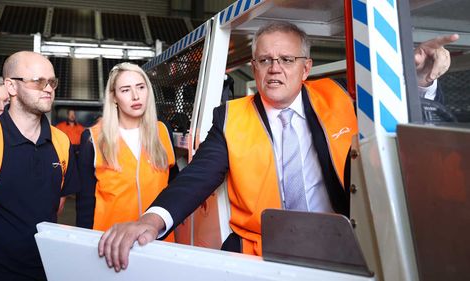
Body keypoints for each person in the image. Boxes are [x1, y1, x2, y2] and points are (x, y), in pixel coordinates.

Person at [98, 22, 457, 272]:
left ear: (305, 68)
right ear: (253, 68)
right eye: (265, 60)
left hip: (340, 246)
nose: (275, 69)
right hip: (257, 251)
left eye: (286, 60)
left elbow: (398, 129)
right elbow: (196, 177)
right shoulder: (230, 117)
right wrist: (150, 220)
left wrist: (421, 82)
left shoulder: (339, 98)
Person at [0, 51, 80, 280]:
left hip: (44, 271)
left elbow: (57, 205)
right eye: (38, 81)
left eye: (52, 82)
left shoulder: (61, 142)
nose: (48, 88)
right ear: (11, 86)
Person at [76, 62, 177, 242]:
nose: (136, 96)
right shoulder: (92, 138)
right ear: (114, 97)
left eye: (140, 87)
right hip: (110, 245)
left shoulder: (163, 131)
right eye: (125, 90)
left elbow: (175, 189)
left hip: (158, 243)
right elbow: (85, 203)